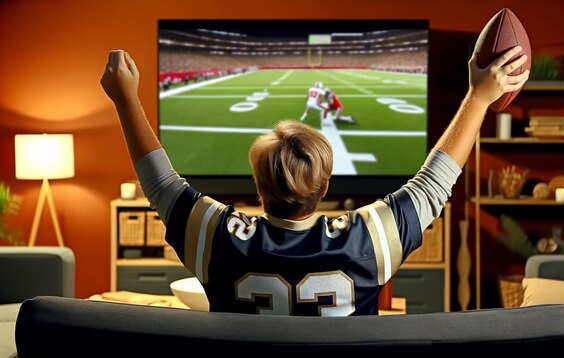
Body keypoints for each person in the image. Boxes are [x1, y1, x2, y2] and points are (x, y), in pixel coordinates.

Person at [100, 47, 528, 316]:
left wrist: (125, 99)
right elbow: (435, 182)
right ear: (325, 189)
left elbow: (159, 184)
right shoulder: (369, 240)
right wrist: (479, 97)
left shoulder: (216, 240)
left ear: (258, 186)